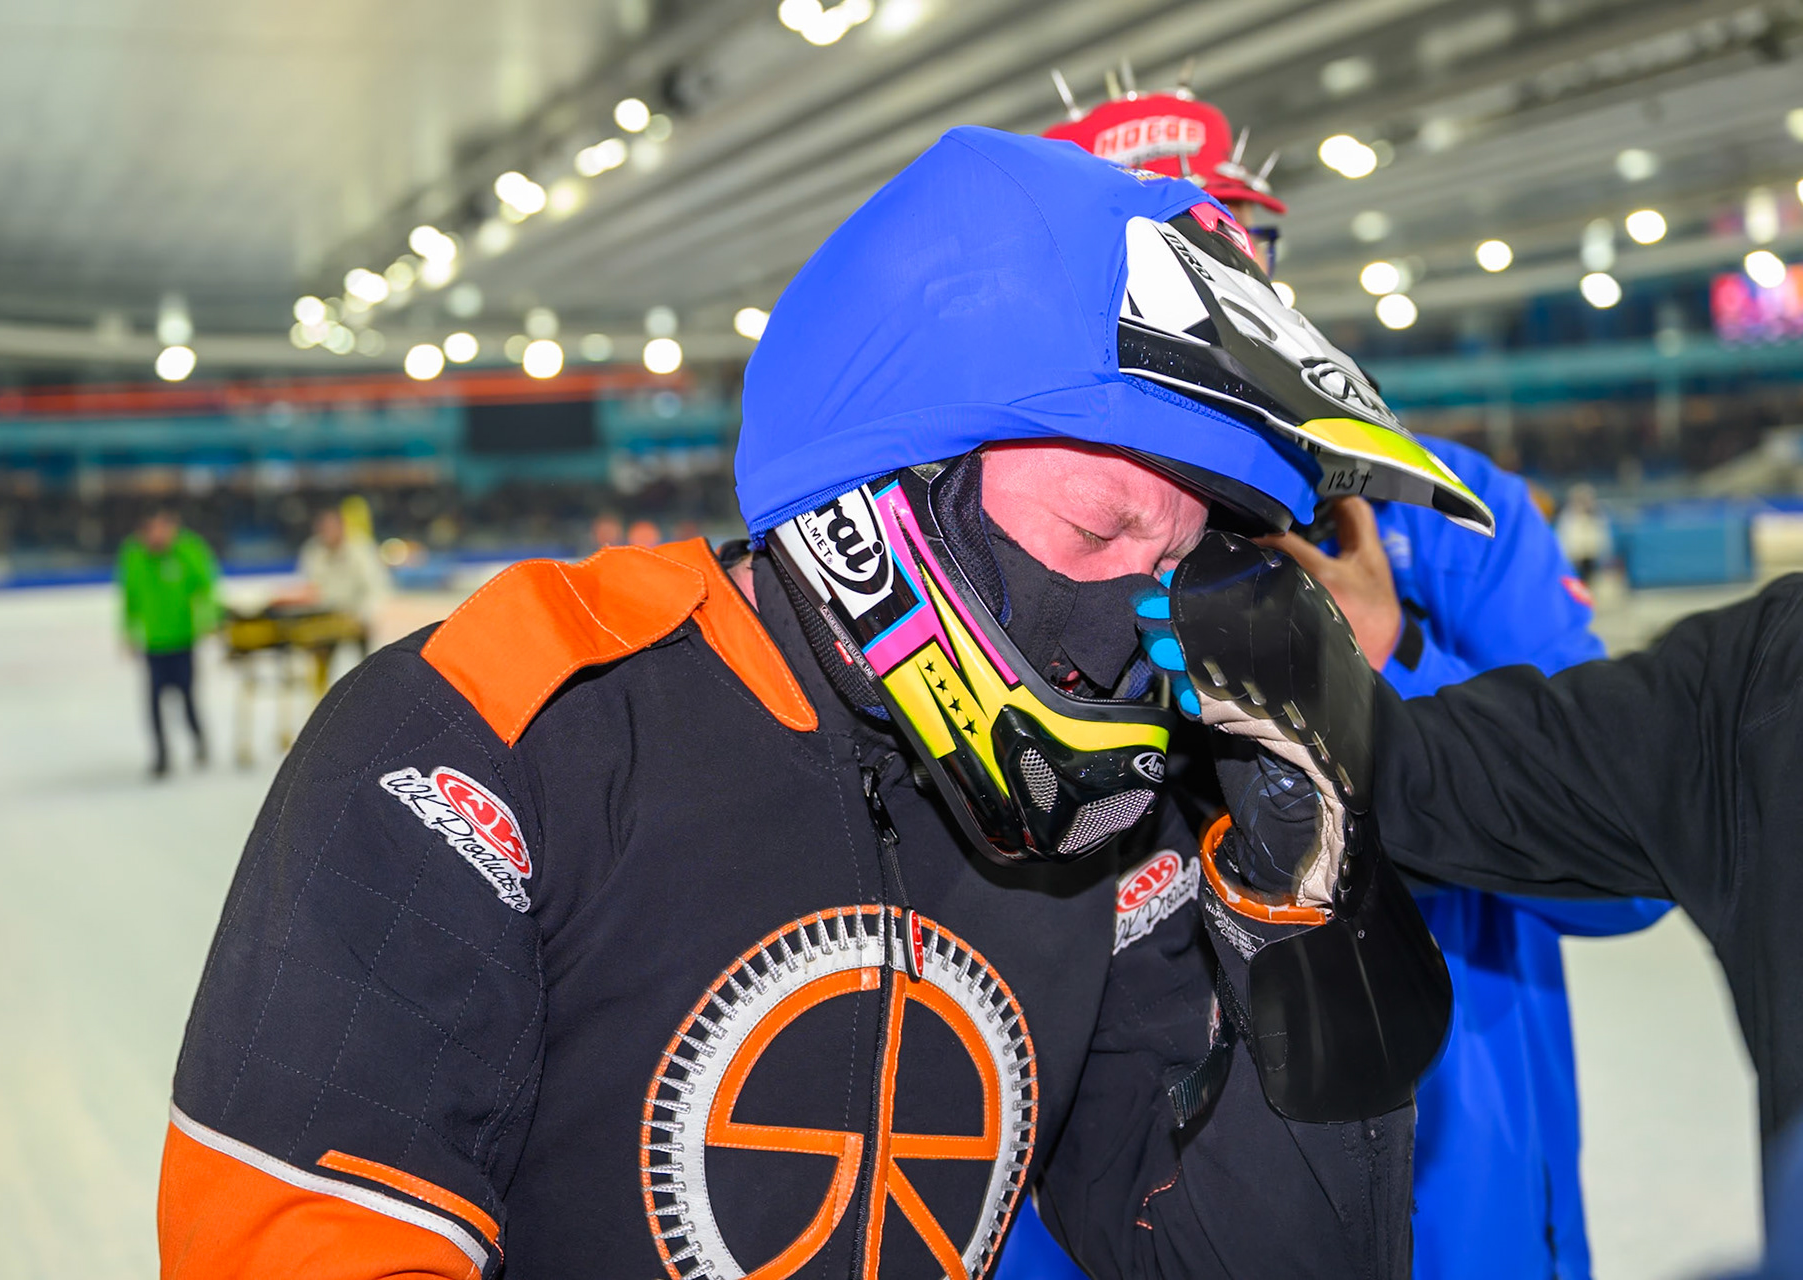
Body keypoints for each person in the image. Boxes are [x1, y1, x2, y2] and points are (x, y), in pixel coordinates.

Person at [157, 128, 1485, 1277]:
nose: (1147, 621)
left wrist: (1310, 914)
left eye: (1181, 562)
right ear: (890, 478)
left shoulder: (1112, 831)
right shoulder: (500, 735)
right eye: (1096, 531)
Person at [1022, 76, 1666, 1280]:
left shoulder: (1447, 519)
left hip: (1474, 1229)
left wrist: (1386, 661)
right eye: (1175, 264)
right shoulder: (1012, 556)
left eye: (1241, 253)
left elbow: (1632, 865)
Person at [1162, 546, 1803, 1224]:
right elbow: (1441, 776)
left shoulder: (1473, 525)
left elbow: (1622, 909)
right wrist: (1319, 684)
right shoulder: (1769, 680)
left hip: (1477, 1137)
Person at [117, 507, 218, 777]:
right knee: (153, 702)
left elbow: (207, 586)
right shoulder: (133, 555)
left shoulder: (189, 550)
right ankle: (161, 755)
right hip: (154, 643)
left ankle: (199, 740)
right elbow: (128, 597)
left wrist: (207, 620)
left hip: (183, 639)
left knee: (188, 697)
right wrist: (127, 632)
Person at [297, 506, 391, 651]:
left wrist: (364, 616)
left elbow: (375, 587)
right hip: (325, 617)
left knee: (365, 659)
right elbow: (311, 588)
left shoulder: (361, 549)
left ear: (342, 527)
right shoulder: (313, 550)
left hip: (357, 614)